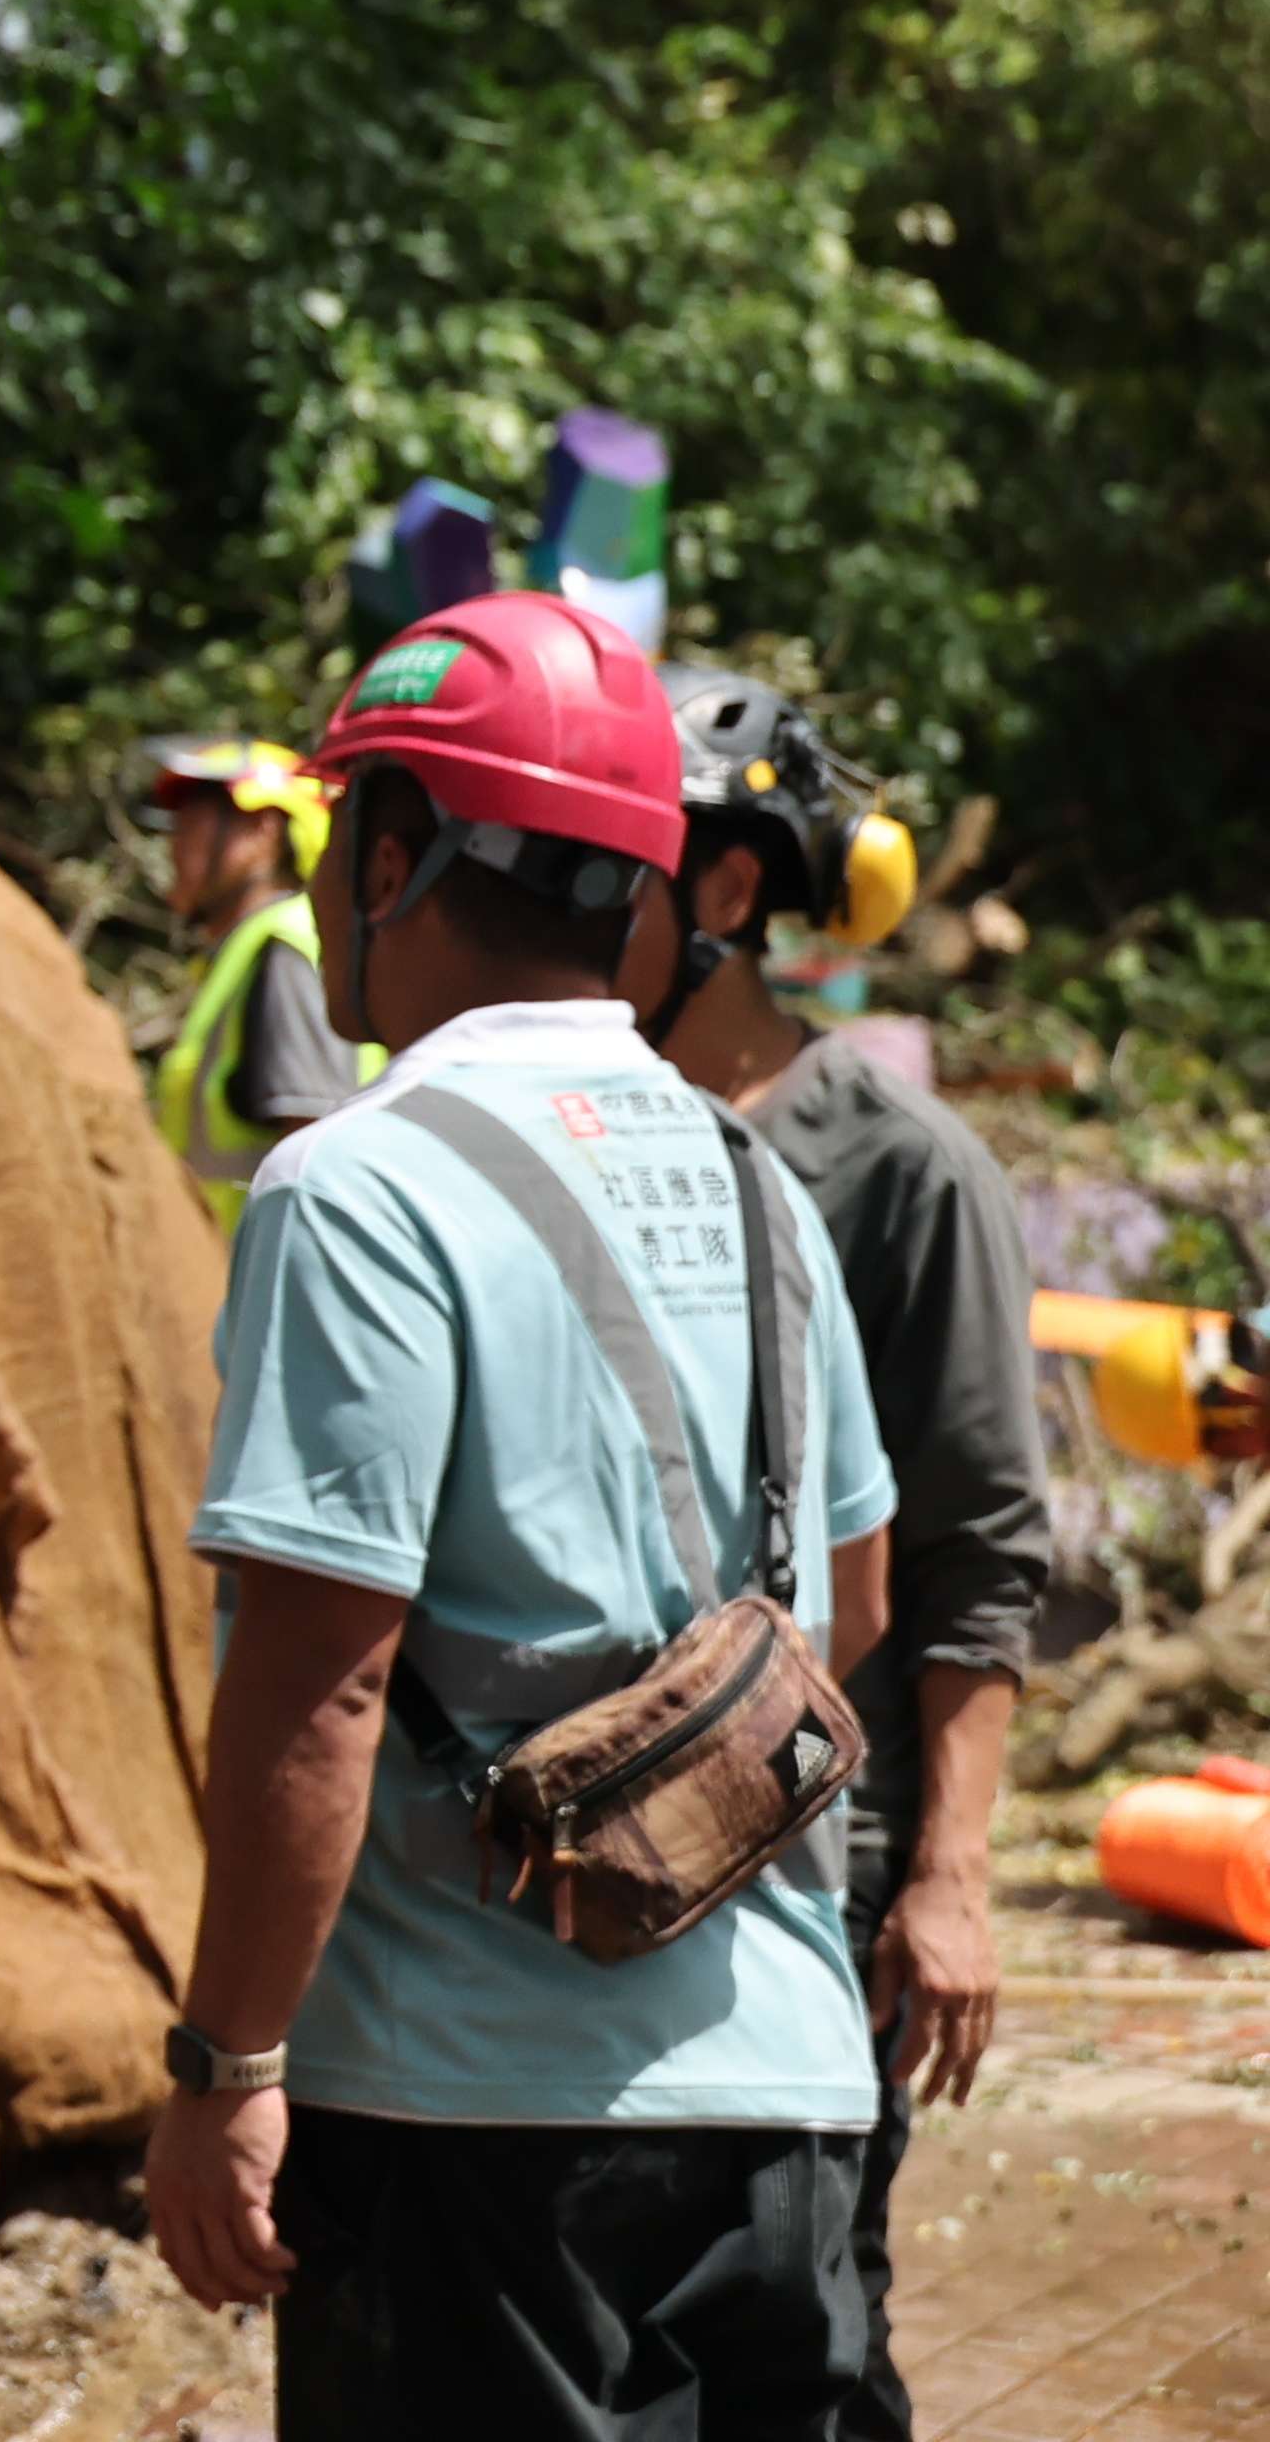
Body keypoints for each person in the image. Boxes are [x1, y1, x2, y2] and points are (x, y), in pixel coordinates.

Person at [148, 592, 898, 2438]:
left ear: (395, 856)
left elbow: (325, 1684)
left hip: (471, 2120)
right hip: (790, 2103)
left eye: (339, 830)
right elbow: (857, 1599)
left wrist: (227, 2062)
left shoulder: (356, 1189)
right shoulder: (756, 1178)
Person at [631, 670, 1038, 2441]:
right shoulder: (587, 1144)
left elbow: (979, 1550)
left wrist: (949, 1877)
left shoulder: (899, 1173)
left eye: (616, 864)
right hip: (620, 1835)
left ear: (727, 893)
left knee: (805, 2324)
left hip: (823, 1849)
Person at [144, 732, 363, 1222]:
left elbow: (314, 1151)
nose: (174, 846)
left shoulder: (284, 948)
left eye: (192, 824)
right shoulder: (242, 952)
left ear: (262, 831)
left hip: (254, 1262)